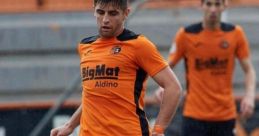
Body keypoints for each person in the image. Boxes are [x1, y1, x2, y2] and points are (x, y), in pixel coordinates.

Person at [50, 0, 182, 136]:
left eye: (113, 14)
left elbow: (173, 87)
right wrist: (69, 126)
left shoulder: (139, 45)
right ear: (94, 10)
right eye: (100, 12)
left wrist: (158, 130)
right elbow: (93, 96)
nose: (105, 20)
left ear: (126, 13)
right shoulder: (85, 46)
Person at [145, 0, 256, 136]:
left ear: (225, 5)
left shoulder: (235, 34)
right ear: (201, 5)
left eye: (217, 4)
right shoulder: (186, 35)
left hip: (225, 114)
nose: (213, 9)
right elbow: (167, 66)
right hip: (194, 115)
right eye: (209, 4)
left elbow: (249, 70)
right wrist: (162, 86)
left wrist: (250, 95)